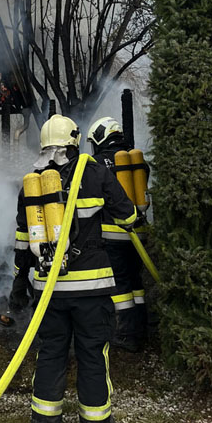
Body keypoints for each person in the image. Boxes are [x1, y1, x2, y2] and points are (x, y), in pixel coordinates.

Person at [9, 114, 136, 423]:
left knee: (50, 352)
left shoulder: (33, 183)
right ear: (75, 141)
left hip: (48, 290)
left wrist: (18, 281)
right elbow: (127, 214)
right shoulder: (94, 172)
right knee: (92, 354)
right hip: (91, 289)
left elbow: (23, 240)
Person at [87, 116, 149, 352]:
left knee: (120, 285)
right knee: (136, 282)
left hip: (113, 235)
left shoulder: (96, 164)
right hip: (139, 234)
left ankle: (126, 334)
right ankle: (141, 326)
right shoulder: (136, 160)